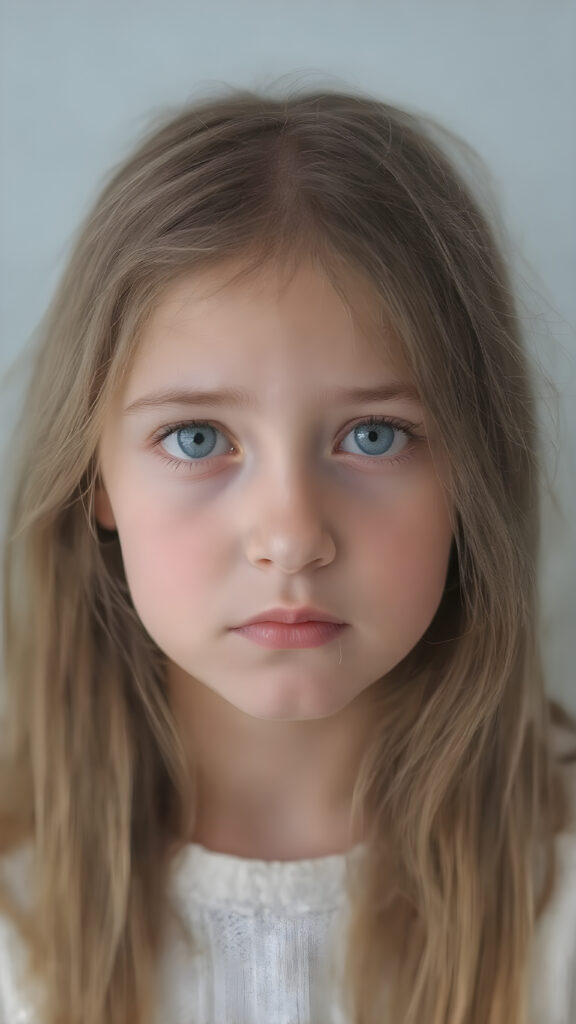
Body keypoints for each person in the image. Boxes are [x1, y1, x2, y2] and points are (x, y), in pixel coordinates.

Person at [0, 84, 574, 1024]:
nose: (293, 537)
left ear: (474, 467)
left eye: (375, 436)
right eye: (196, 439)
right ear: (95, 477)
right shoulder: (15, 916)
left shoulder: (560, 900)